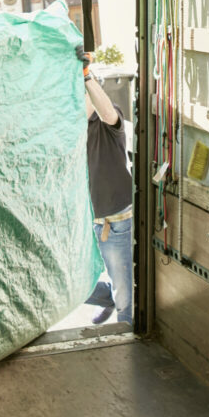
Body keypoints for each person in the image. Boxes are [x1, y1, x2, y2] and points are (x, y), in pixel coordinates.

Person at [79, 51, 134, 325]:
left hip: (117, 220)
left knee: (126, 301)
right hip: (88, 221)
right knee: (71, 285)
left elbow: (106, 110)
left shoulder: (108, 125)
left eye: (85, 93)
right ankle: (107, 297)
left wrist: (87, 77)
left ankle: (126, 340)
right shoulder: (71, 131)